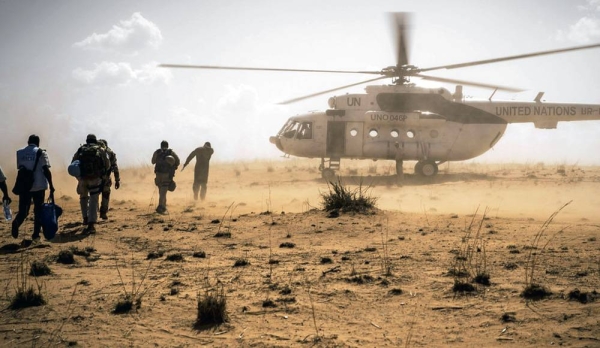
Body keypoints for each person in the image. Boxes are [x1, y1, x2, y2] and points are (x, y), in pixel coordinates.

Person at [12, 134, 55, 241]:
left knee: (23, 211)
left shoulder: (20, 152)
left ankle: (16, 222)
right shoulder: (41, 152)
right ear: (38, 142)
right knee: (38, 211)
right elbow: (46, 170)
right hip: (39, 186)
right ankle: (35, 235)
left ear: (28, 142)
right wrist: (51, 185)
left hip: (24, 186)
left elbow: (21, 168)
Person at [72, 134, 110, 233]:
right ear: (95, 140)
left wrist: (79, 178)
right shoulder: (100, 149)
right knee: (94, 199)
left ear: (87, 140)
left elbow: (73, 164)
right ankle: (91, 224)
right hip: (95, 178)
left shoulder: (81, 149)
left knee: (83, 198)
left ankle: (85, 218)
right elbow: (107, 164)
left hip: (83, 178)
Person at [152, 140, 180, 214]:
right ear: (167, 146)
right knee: (163, 192)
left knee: (161, 191)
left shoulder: (157, 152)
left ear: (160, 145)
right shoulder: (171, 152)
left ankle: (163, 207)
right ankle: (161, 206)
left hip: (158, 175)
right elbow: (178, 161)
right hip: (166, 175)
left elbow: (152, 161)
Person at [98, 139, 120, 220]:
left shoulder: (95, 151)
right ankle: (103, 212)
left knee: (94, 194)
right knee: (106, 194)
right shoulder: (110, 152)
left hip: (94, 177)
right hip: (106, 177)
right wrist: (117, 180)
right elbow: (115, 167)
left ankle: (92, 213)